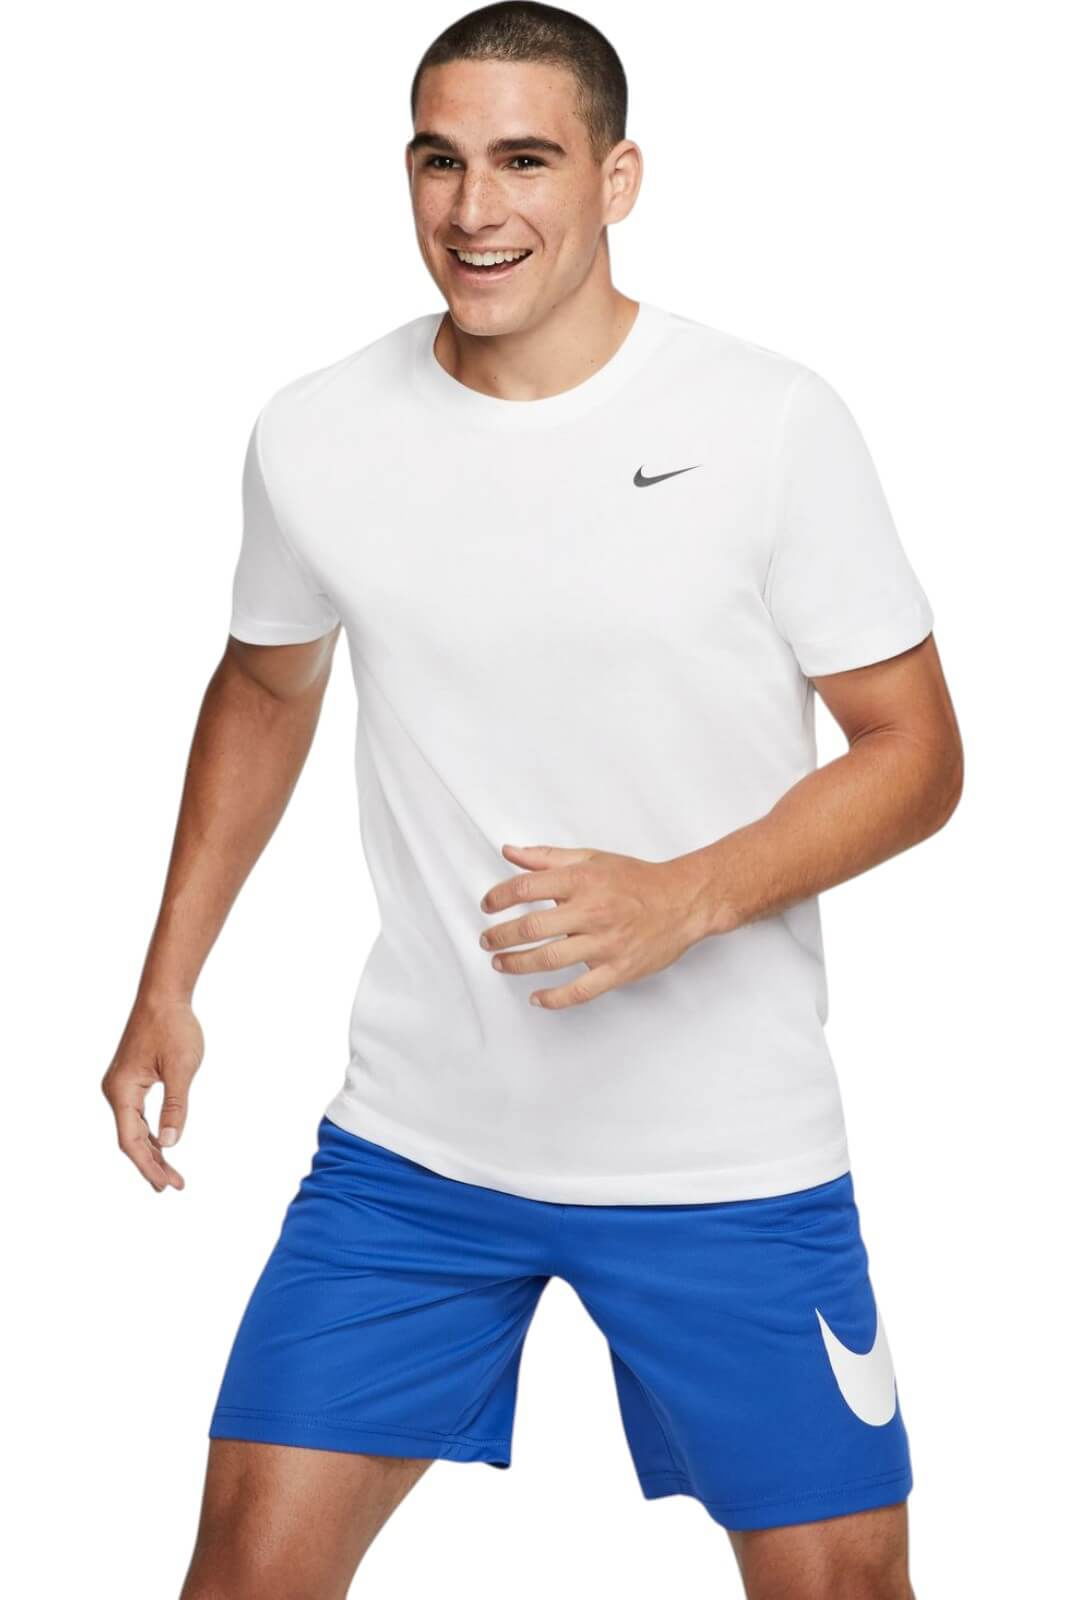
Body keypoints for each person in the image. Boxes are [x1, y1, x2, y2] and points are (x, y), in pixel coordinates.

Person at [101, 4, 963, 1596]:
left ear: (614, 179)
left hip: (719, 1162)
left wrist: (682, 896)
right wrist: (169, 981)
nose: (473, 208)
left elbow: (915, 752)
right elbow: (265, 687)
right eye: (440, 161)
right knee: (240, 1572)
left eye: (523, 161)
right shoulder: (317, 430)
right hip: (414, 1150)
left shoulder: (766, 421)